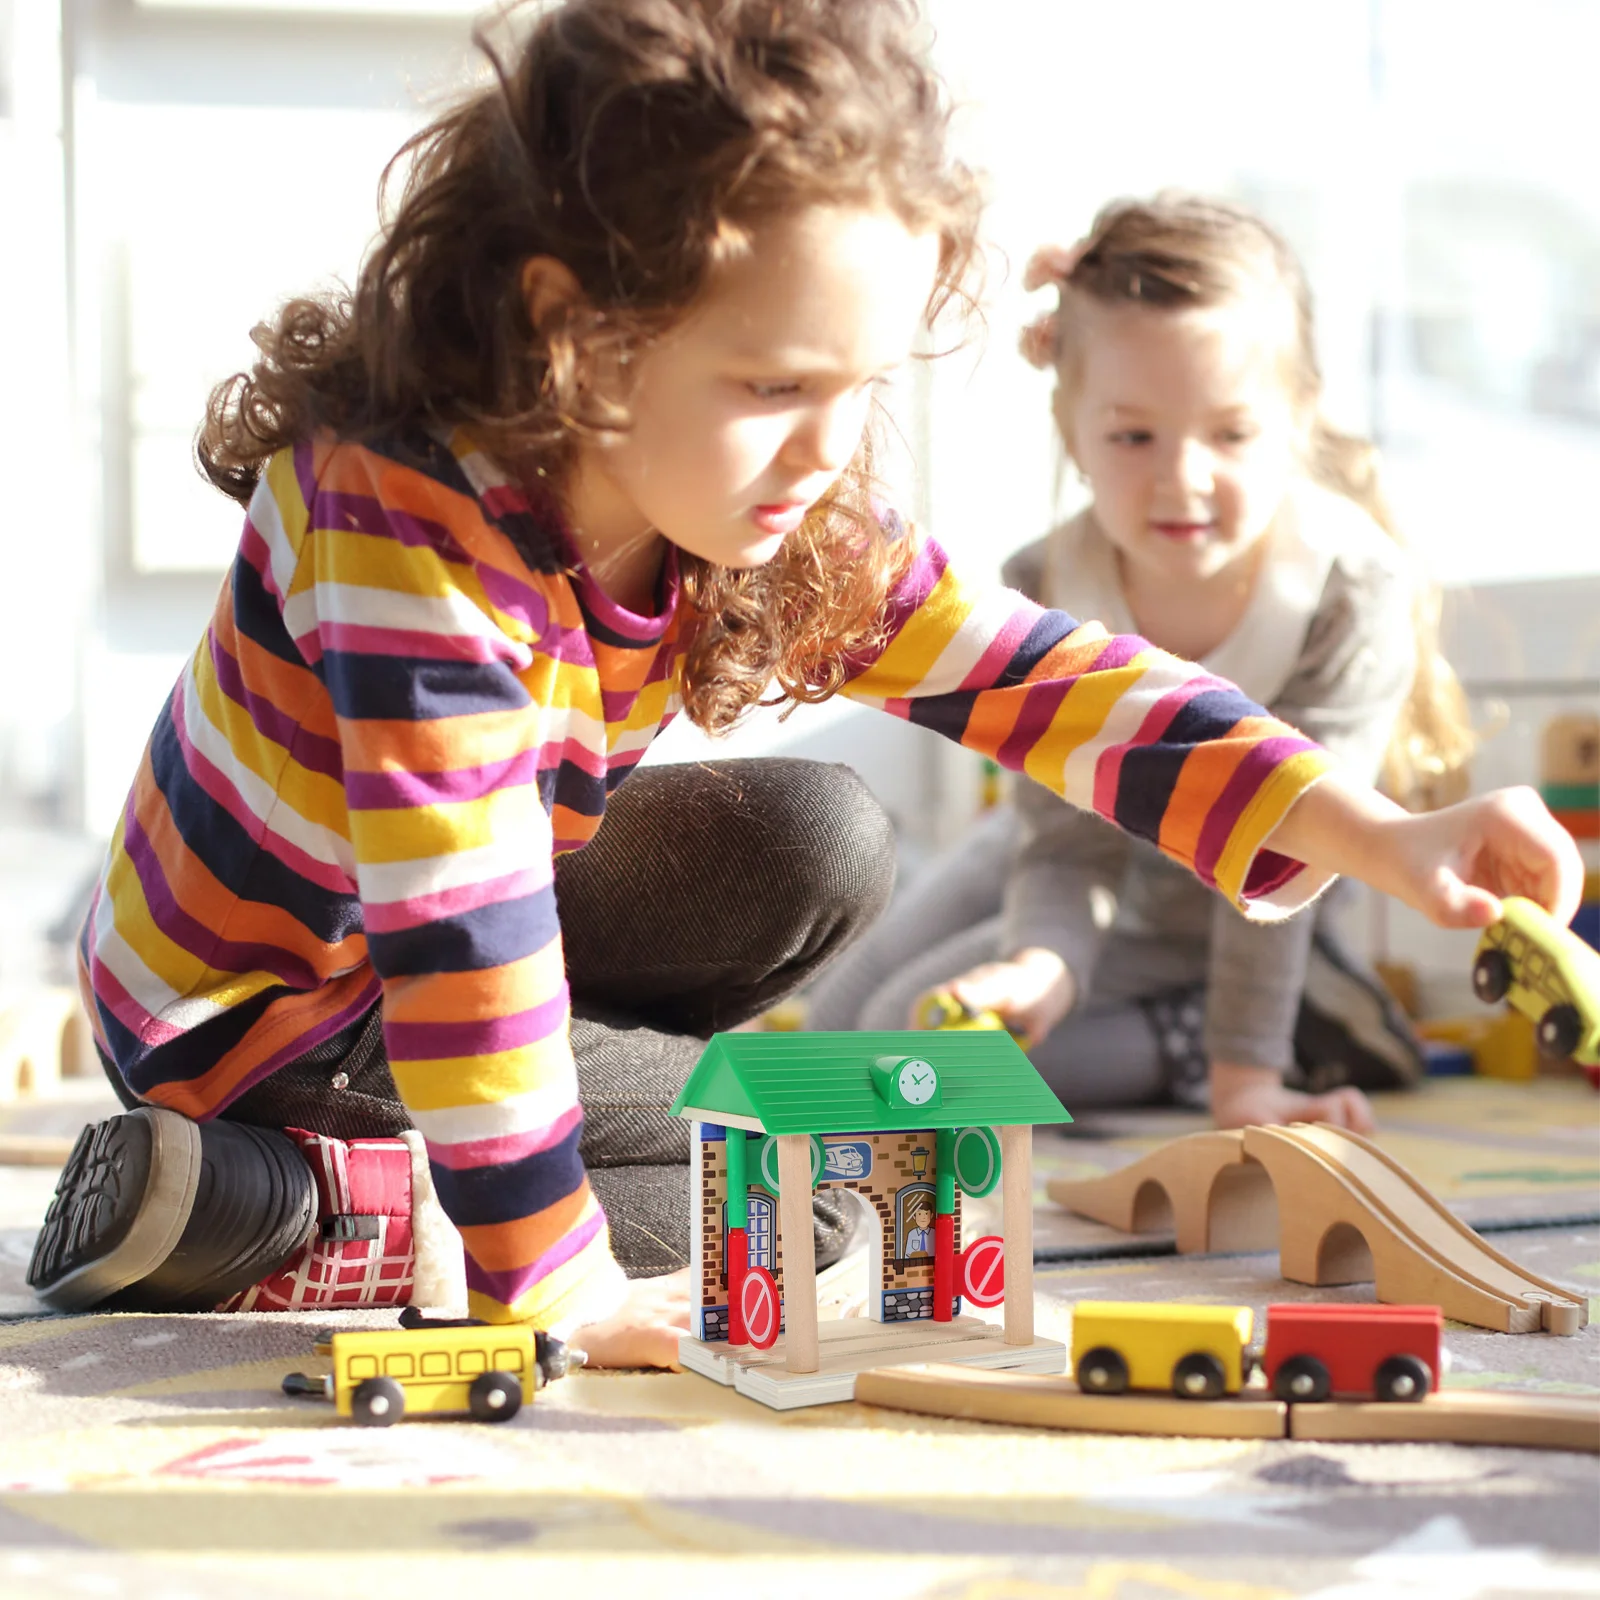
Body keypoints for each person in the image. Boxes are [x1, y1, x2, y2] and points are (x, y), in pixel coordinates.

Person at [30, 2, 1580, 1371]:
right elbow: (457, 918)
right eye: (777, 387)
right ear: (582, 332)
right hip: (260, 1013)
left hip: (433, 936)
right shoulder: (397, 506)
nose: (830, 453)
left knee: (824, 843)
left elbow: (1041, 675)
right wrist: (552, 1280)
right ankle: (278, 1199)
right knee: (814, 1188)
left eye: (860, 390)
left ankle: (454, 1163)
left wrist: (1381, 832)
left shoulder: (747, 488)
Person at [807, 195, 1479, 1134]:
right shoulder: (1043, 576)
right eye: (1134, 437)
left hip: (1227, 903)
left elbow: (1299, 841)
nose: (1182, 479)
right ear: (1072, 427)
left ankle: (1210, 1028)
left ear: (1297, 421)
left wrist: (1246, 1080)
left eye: (1231, 435)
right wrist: (1047, 961)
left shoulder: (1343, 591)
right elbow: (1064, 838)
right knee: (844, 1023)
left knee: (909, 1055)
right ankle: (1126, 1007)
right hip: (1066, 852)